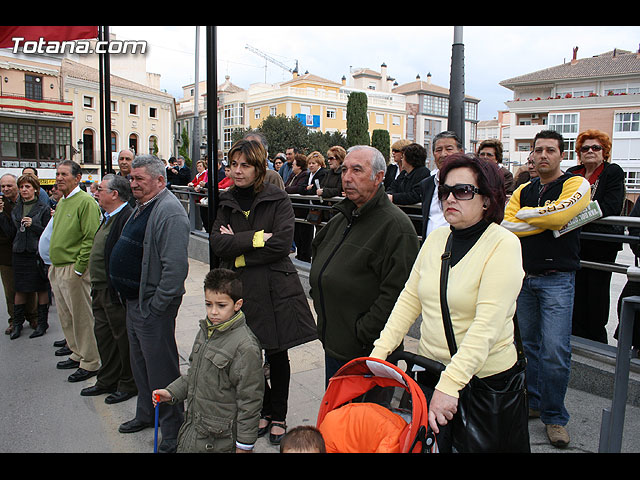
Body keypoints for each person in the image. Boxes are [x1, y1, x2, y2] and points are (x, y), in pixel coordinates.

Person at [371, 153, 525, 452]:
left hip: (484, 381)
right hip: (432, 370)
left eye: (463, 191)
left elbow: (487, 326)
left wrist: (451, 384)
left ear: (487, 199)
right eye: (445, 190)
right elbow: (410, 299)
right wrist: (379, 353)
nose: (450, 198)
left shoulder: (504, 245)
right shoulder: (437, 238)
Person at [210, 139, 317, 446]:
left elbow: (282, 244)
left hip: (273, 288)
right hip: (240, 289)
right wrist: (256, 238)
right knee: (246, 356)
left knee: (276, 352)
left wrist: (239, 248)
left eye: (245, 165)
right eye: (233, 164)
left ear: (258, 168)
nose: (237, 171)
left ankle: (279, 414)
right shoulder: (227, 200)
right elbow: (218, 244)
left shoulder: (276, 197)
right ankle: (263, 408)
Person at [502, 130, 591, 448]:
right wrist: (545, 217)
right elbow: (506, 223)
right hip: (524, 278)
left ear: (561, 155)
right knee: (529, 349)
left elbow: (564, 215)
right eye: (537, 150)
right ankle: (535, 403)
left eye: (549, 150)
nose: (542, 155)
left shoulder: (576, 184)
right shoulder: (524, 188)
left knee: (555, 351)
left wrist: (532, 217)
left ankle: (555, 418)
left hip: (558, 280)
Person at [309, 145, 420, 385]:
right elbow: (318, 257)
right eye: (345, 170)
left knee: (362, 420)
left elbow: (397, 296)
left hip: (368, 355)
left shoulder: (396, 227)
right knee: (336, 417)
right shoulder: (341, 219)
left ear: (379, 177)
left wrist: (362, 333)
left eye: (357, 170)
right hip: (334, 344)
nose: (347, 177)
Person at [109, 154, 190, 453]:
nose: (132, 184)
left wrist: (156, 306)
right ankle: (146, 414)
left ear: (159, 180)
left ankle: (172, 428)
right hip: (135, 302)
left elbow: (175, 269)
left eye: (139, 179)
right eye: (131, 179)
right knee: (140, 364)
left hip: (152, 306)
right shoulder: (143, 205)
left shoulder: (170, 212)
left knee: (161, 369)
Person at [152, 268, 264, 453]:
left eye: (221, 305)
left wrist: (244, 446)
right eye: (208, 304)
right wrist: (171, 392)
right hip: (194, 431)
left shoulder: (245, 347)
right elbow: (194, 374)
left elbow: (250, 401)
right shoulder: (206, 331)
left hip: (219, 441)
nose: (213, 312)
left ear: (237, 304)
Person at [80, 174, 137, 404]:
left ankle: (126, 382)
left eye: (100, 189)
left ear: (114, 194)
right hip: (100, 287)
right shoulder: (107, 217)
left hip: (114, 290)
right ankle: (107, 378)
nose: (96, 193)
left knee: (120, 338)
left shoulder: (125, 218)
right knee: (104, 336)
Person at [567, 129, 625, 344]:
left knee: (596, 294)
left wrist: (571, 216)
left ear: (605, 152)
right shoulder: (572, 173)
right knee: (575, 291)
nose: (590, 151)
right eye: (585, 148)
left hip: (601, 243)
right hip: (574, 243)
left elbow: (609, 206)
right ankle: (575, 335)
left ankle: (596, 340)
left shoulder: (612, 172)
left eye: (595, 148)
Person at [48, 160, 102, 383]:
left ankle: (90, 361)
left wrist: (79, 268)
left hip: (74, 269)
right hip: (58, 267)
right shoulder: (62, 201)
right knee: (66, 316)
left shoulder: (86, 202)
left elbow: (90, 237)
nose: (59, 178)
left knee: (81, 317)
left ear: (78, 178)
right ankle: (77, 352)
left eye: (64, 174)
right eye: (57, 174)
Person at [0, 174, 51, 339]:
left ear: (35, 189)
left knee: (41, 288)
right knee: (19, 288)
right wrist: (1, 214)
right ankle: (16, 324)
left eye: (27, 187)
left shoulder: (43, 207)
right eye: (22, 187)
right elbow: (11, 232)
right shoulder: (16, 208)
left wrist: (33, 225)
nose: (24, 190)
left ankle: (41, 323)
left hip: (36, 253)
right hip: (19, 252)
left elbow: (47, 231)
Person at [419, 131, 464, 241]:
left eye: (449, 149)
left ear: (461, 152)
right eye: (439, 150)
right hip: (429, 247)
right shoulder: (427, 184)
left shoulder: (470, 184)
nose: (443, 154)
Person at [285, 154, 313, 262]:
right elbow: (285, 185)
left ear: (299, 166)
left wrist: (287, 189)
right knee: (297, 235)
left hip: (303, 210)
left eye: (294, 164)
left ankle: (305, 257)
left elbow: (297, 188)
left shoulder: (304, 175)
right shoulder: (293, 175)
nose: (292, 166)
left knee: (305, 236)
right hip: (294, 211)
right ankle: (300, 255)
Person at [189, 159, 210, 232]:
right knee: (203, 214)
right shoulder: (198, 175)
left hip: (204, 196)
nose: (199, 168)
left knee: (206, 215)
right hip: (200, 197)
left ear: (204, 167)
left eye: (200, 166)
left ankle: (208, 230)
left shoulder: (205, 173)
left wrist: (193, 184)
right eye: (197, 166)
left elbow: (199, 183)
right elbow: (194, 182)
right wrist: (191, 184)